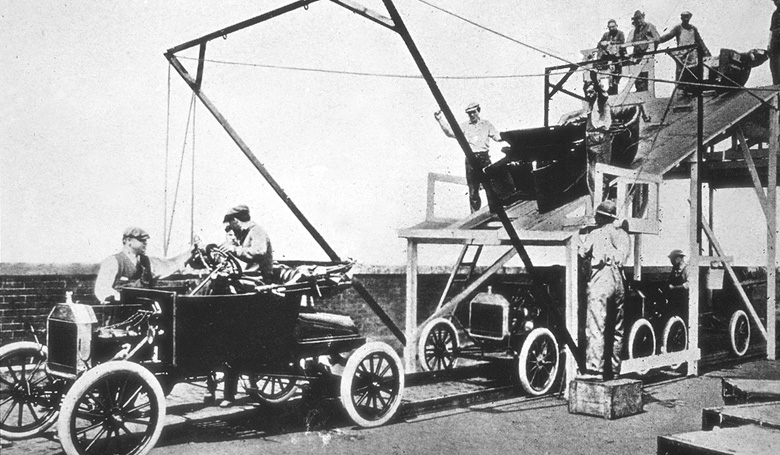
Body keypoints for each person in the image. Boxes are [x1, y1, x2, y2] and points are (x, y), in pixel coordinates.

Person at [578, 199, 630, 380]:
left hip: (602, 279)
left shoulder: (595, 233)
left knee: (596, 325)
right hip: (619, 280)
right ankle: (615, 371)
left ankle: (594, 370)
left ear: (601, 217)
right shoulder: (624, 235)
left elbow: (582, 253)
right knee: (618, 328)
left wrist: (578, 237)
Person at [434, 102, 505, 212]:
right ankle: (474, 215)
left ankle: (496, 213)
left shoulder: (486, 124)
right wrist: (440, 120)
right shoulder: (464, 126)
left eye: (473, 112)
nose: (471, 115)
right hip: (471, 160)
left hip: (484, 159)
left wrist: (510, 137)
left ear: (478, 111)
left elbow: (497, 137)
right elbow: (449, 132)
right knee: (473, 190)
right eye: (469, 113)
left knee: (490, 187)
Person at [94, 227, 193, 303]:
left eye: (145, 240)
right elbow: (102, 288)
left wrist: (190, 253)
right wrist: (120, 298)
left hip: (143, 310)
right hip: (119, 312)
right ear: (128, 241)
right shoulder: (113, 261)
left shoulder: (146, 262)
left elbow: (168, 265)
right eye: (141, 240)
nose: (145, 243)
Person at [560, 77, 613, 204]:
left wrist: (595, 79)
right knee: (591, 179)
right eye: (587, 92)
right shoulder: (591, 104)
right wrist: (569, 119)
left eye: (591, 92)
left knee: (600, 177)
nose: (588, 95)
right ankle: (597, 206)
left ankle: (602, 206)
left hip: (600, 143)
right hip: (591, 143)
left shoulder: (601, 101)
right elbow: (585, 115)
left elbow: (602, 94)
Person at [656, 11, 711, 95]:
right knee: (680, 71)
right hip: (682, 54)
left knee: (693, 71)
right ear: (681, 18)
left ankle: (693, 89)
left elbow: (699, 40)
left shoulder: (693, 29)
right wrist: (659, 40)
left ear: (689, 18)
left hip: (692, 54)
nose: (686, 18)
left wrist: (706, 52)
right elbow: (669, 35)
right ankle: (681, 89)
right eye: (684, 17)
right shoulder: (678, 28)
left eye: (687, 17)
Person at [219, 204, 273, 282]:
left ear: (235, 220)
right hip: (246, 277)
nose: (230, 227)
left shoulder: (257, 231)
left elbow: (259, 251)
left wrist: (234, 250)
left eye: (230, 223)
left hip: (258, 279)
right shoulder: (242, 234)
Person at [627, 10, 660, 92]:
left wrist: (651, 50)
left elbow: (657, 38)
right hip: (637, 55)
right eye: (636, 19)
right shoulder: (635, 30)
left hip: (646, 55)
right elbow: (628, 41)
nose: (638, 21)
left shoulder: (649, 26)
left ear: (643, 17)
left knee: (646, 76)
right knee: (637, 76)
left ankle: (645, 92)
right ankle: (639, 91)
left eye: (640, 18)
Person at [596, 19, 627, 95]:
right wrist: (603, 43)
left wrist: (611, 42)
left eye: (613, 27)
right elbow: (599, 43)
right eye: (610, 27)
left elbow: (622, 42)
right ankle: (611, 88)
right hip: (608, 58)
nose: (612, 28)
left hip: (618, 57)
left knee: (616, 75)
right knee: (609, 75)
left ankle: (614, 87)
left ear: (616, 26)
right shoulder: (606, 35)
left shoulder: (620, 33)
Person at [769, 0, 780, 85]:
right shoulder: (775, 14)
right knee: (774, 63)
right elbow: (771, 30)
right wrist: (769, 43)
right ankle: (776, 84)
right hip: (775, 41)